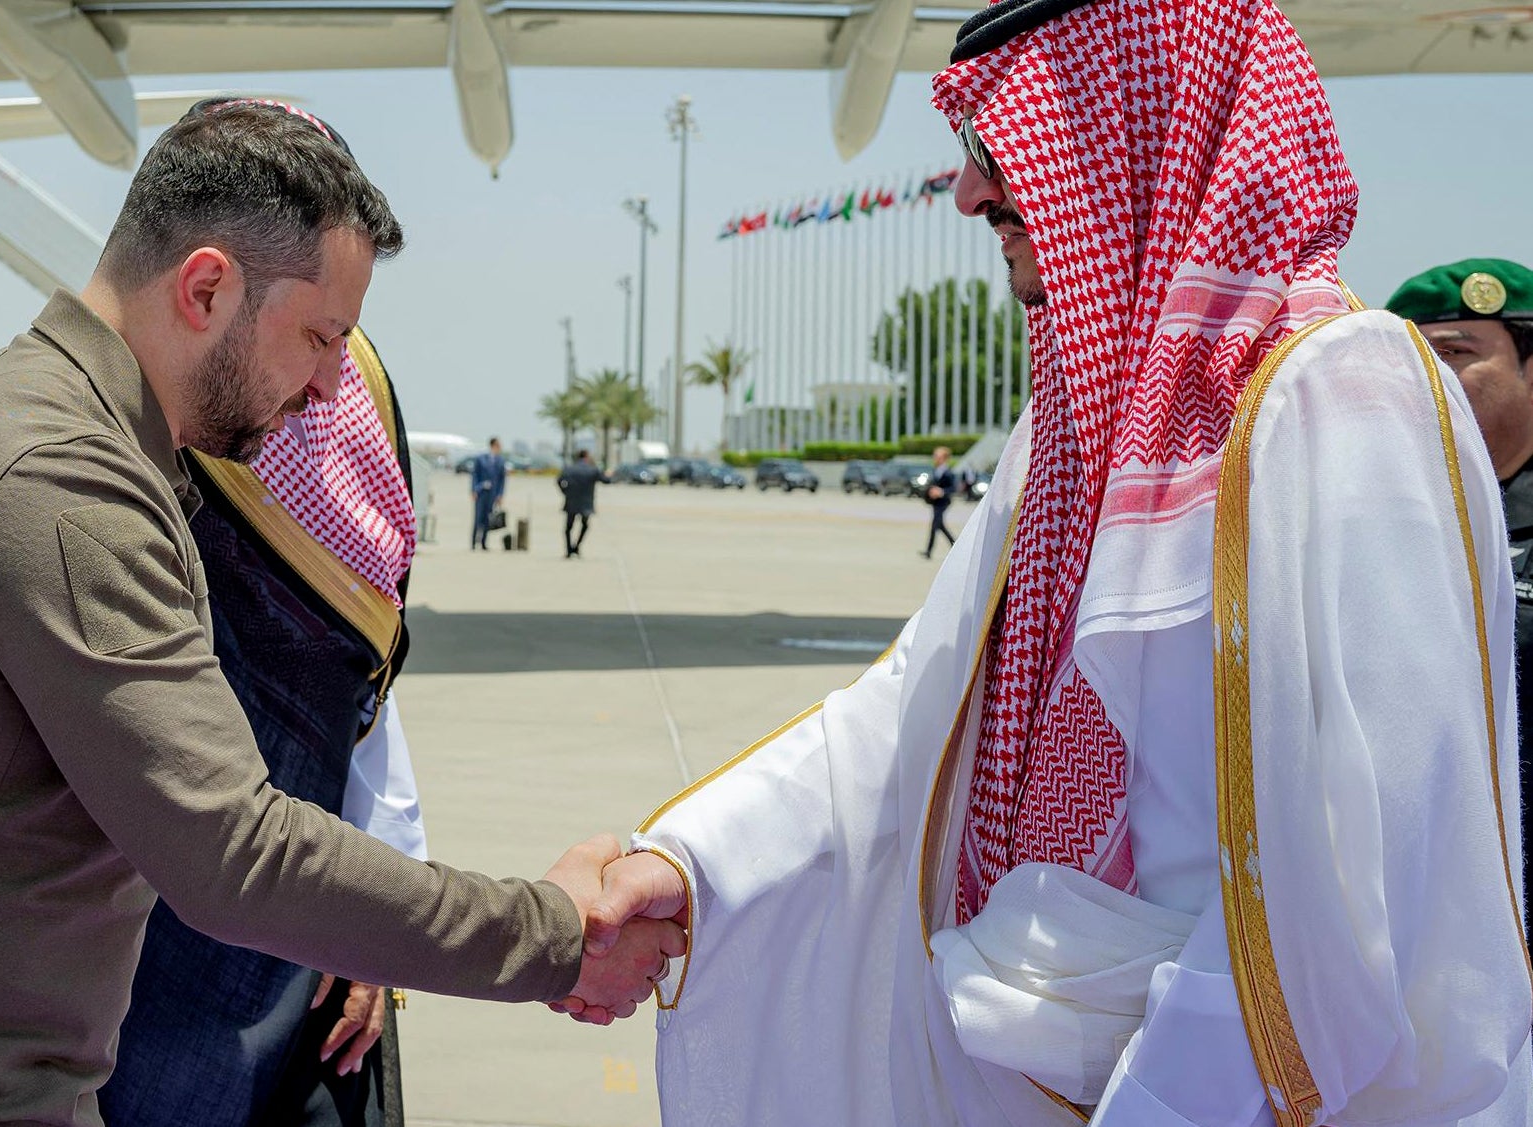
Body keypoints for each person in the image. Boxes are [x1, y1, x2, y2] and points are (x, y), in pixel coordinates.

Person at [572, 2, 1533, 1125]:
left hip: (1225, 1092)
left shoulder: (1334, 397)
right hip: (1032, 1068)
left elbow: (1357, 905)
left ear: (1131, 129)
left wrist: (1159, 1105)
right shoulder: (1075, 424)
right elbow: (914, 708)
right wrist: (690, 861)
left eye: (1002, 148)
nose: (973, 193)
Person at [0, 98, 681, 1126]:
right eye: (322, 337)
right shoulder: (62, 480)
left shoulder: (86, 436)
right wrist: (552, 933)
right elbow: (234, 854)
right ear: (205, 287)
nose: (333, 386)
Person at [101, 300, 430, 1124]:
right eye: (315, 336)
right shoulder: (145, 414)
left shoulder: (362, 387)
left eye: (340, 337)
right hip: (143, 920)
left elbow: (362, 689)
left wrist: (380, 915)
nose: (325, 377)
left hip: (317, 921)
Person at [1387, 257, 1533, 931]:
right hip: (1422, 900)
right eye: (1414, 353)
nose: (1431, 375)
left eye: (1457, 352)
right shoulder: (1382, 520)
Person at [558, 448, 608, 558]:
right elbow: (605, 480)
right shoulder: (592, 469)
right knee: (585, 525)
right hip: (586, 502)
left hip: (571, 501)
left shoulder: (570, 469)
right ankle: (577, 546)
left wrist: (565, 492)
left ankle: (569, 549)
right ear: (586, 457)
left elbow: (559, 480)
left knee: (568, 527)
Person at [921, 445, 957, 559]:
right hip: (936, 502)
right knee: (939, 525)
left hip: (943, 502)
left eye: (937, 456)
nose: (935, 458)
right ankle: (954, 545)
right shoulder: (936, 470)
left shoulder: (948, 472)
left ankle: (929, 551)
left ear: (944, 458)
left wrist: (941, 491)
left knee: (935, 525)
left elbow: (953, 488)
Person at [470, 437, 506, 549]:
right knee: (478, 518)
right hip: (481, 493)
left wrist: (500, 494)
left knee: (487, 519)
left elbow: (502, 480)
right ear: (493, 445)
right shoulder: (481, 459)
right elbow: (474, 475)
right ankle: (473, 542)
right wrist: (474, 490)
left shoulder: (500, 461)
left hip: (492, 494)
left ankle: (484, 542)